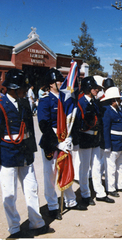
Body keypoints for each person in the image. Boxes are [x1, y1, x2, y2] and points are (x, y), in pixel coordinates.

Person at [0, 69, 50, 238]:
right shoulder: (1, 104)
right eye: (22, 87)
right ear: (13, 88)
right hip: (7, 153)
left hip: (25, 152)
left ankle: (37, 222)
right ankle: (14, 228)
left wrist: (32, 151)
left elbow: (29, 128)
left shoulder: (24, 102)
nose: (24, 90)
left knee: (32, 188)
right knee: (10, 193)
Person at [37, 68, 87, 221]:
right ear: (50, 84)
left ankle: (70, 201)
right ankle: (52, 205)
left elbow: (71, 121)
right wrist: (57, 144)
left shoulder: (66, 99)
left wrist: (69, 138)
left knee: (67, 169)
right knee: (50, 174)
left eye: (61, 80)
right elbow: (43, 124)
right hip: (52, 140)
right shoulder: (45, 100)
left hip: (65, 137)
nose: (61, 83)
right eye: (58, 81)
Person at [77, 76, 114, 205]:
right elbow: (78, 122)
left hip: (95, 138)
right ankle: (85, 194)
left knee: (97, 167)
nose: (97, 90)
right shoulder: (81, 102)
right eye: (94, 88)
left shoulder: (94, 102)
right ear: (88, 88)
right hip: (85, 137)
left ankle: (100, 192)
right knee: (85, 168)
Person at [100, 86, 122, 196]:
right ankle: (111, 188)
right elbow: (105, 129)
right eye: (118, 99)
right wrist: (107, 145)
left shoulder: (119, 110)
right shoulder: (107, 111)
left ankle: (121, 185)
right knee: (111, 167)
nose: (120, 101)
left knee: (121, 166)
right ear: (113, 100)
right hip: (113, 144)